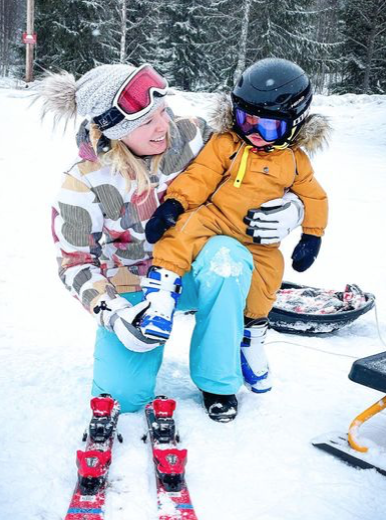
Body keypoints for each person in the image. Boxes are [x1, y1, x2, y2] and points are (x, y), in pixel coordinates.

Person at [36, 62, 305, 423]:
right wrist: (112, 312)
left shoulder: (195, 137)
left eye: (162, 110)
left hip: (196, 265)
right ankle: (131, 354)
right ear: (116, 129)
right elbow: (74, 263)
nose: (163, 125)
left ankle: (218, 378)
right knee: (124, 398)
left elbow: (271, 161)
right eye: (146, 122)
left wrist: (294, 207)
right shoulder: (82, 182)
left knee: (228, 259)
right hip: (134, 285)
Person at [139, 58, 329, 399]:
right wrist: (175, 203)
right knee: (181, 231)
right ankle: (162, 294)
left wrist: (311, 235)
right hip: (215, 218)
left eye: (268, 127)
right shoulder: (228, 143)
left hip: (257, 235)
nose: (254, 133)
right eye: (246, 120)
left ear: (294, 122)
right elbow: (201, 176)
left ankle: (252, 335)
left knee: (269, 276)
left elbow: (315, 196)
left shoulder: (296, 160)